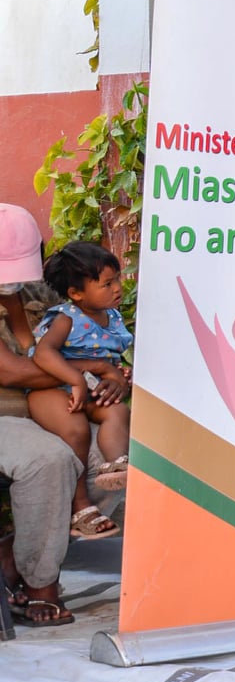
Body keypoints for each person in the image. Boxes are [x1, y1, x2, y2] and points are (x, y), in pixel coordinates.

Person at [0, 204, 89, 625]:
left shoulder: (40, 292)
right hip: (5, 416)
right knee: (49, 461)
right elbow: (10, 371)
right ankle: (40, 584)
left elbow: (89, 343)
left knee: (115, 460)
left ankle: (11, 553)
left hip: (48, 406)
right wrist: (85, 368)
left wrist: (111, 374)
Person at [30, 242, 133, 539]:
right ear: (76, 294)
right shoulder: (67, 318)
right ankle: (80, 505)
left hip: (90, 389)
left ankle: (115, 466)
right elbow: (44, 355)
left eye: (117, 279)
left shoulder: (111, 315)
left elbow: (108, 361)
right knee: (76, 430)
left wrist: (119, 376)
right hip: (52, 388)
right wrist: (76, 380)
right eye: (107, 283)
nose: (117, 288)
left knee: (117, 411)